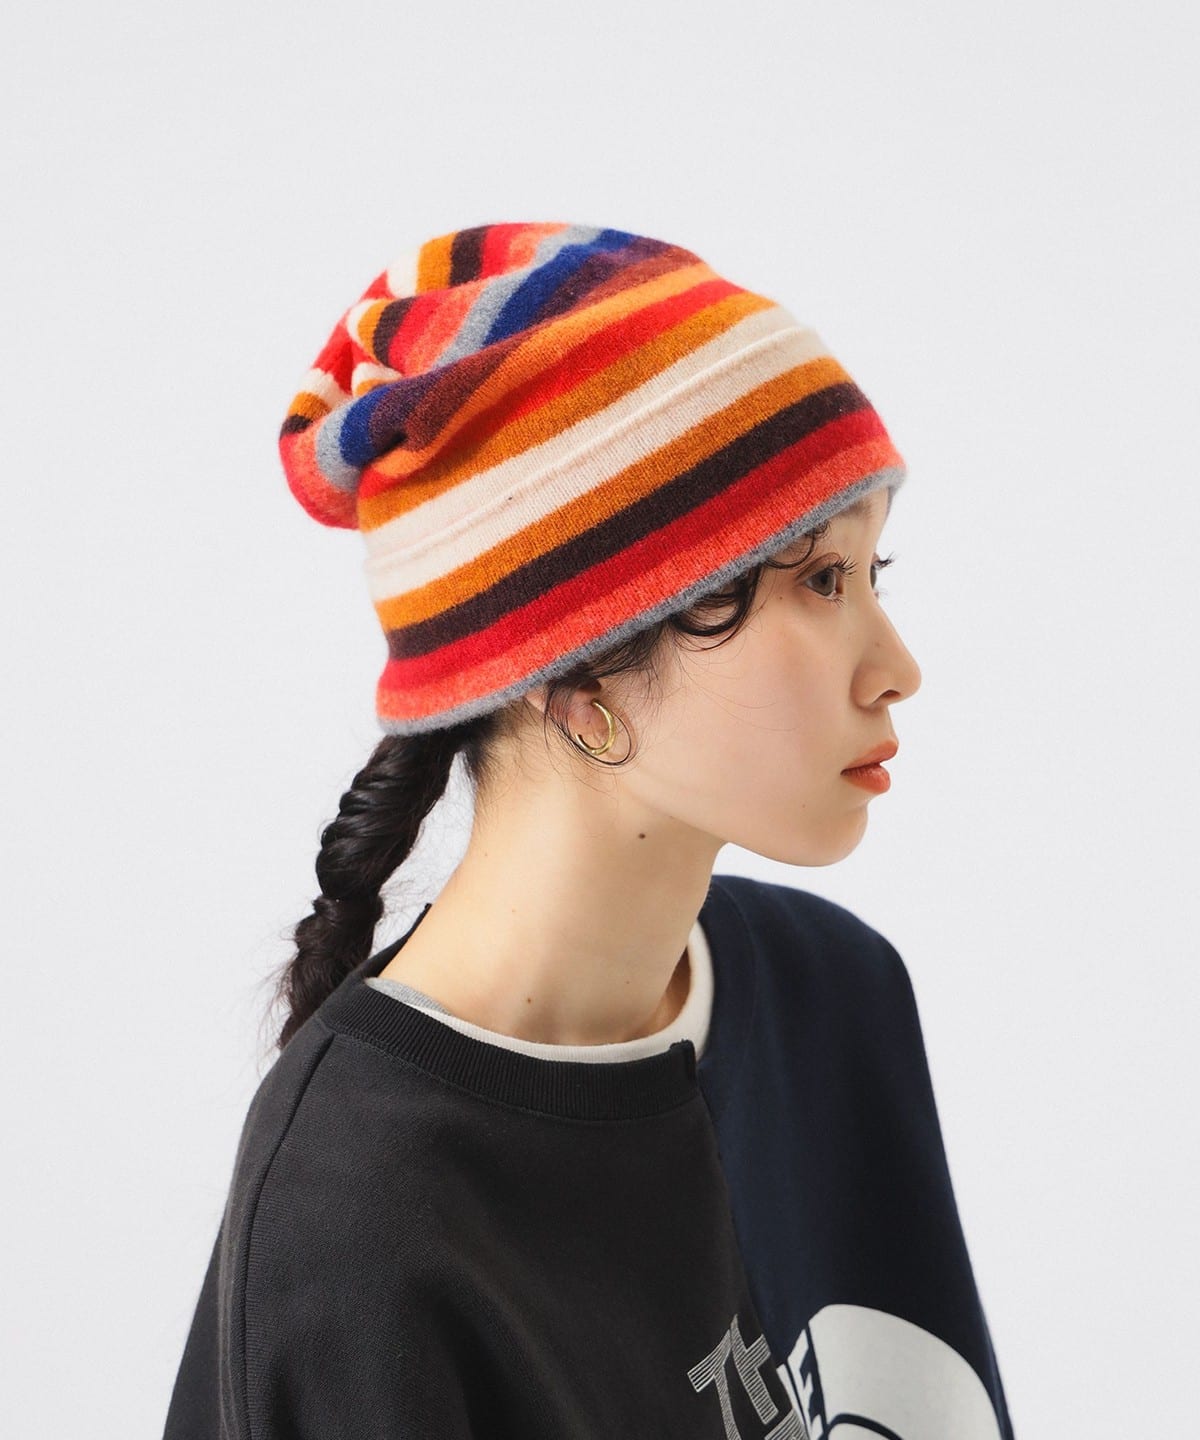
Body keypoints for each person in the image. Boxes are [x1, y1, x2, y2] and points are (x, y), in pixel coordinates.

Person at [162, 222, 1015, 1439]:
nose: (898, 668)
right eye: (820, 579)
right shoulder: (355, 1224)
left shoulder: (834, 996)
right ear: (580, 680)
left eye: (877, 571)